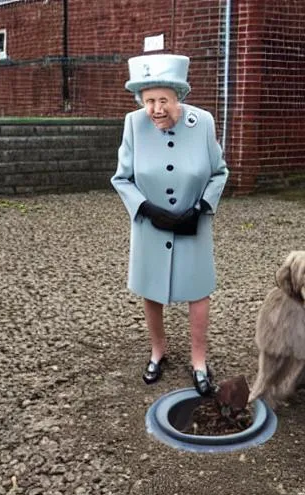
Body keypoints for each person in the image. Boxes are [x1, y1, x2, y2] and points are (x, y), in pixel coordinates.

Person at [111, 54, 229, 396]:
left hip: (194, 223)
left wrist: (202, 207)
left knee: (198, 290)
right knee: (151, 288)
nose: (156, 109)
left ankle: (198, 360)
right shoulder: (134, 124)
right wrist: (146, 208)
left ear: (179, 96)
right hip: (151, 225)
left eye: (163, 100)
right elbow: (122, 178)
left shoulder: (203, 122)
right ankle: (157, 351)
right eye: (149, 100)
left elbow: (219, 172)